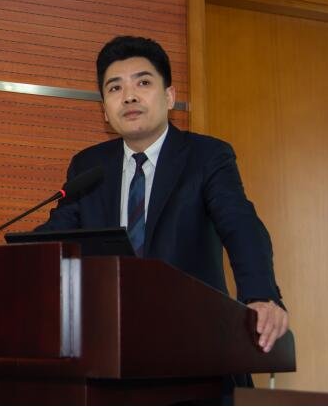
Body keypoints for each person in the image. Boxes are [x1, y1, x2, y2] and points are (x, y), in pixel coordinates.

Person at [34, 35, 288, 353]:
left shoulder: (206, 157)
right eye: (115, 88)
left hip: (194, 343)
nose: (129, 97)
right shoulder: (88, 166)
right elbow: (56, 236)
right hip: (110, 345)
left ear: (169, 97)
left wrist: (260, 295)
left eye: (143, 83)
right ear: (104, 110)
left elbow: (240, 225)